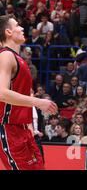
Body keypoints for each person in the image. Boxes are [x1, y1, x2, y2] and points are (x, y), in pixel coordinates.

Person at [0, 16, 58, 170]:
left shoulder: (18, 58)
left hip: (23, 129)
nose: (22, 28)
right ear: (8, 32)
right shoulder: (6, 56)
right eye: (18, 25)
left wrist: (29, 125)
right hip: (8, 128)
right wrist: (38, 102)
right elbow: (2, 93)